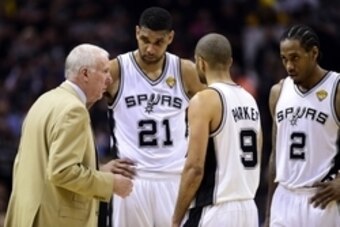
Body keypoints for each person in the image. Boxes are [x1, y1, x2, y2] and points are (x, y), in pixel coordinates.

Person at [4, 43, 133, 227]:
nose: (109, 79)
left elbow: (46, 164)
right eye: (105, 71)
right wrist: (110, 183)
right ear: (85, 73)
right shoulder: (74, 110)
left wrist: (99, 170)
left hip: (28, 215)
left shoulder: (45, 100)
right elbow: (61, 171)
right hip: (53, 219)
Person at [104, 6, 205, 227]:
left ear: (170, 38)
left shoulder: (185, 71)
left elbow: (216, 112)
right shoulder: (116, 70)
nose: (150, 48)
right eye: (144, 39)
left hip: (174, 180)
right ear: (136, 32)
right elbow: (78, 112)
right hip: (131, 180)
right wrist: (96, 166)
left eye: (158, 42)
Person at [172, 33, 262, 227]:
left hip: (216, 209)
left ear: (200, 62)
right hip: (249, 208)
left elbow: (194, 168)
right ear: (229, 62)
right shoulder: (250, 99)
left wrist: (175, 220)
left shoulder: (204, 99)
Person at [265, 24, 340, 227]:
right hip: (284, 198)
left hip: (321, 199)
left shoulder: (336, 89)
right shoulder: (278, 92)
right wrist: (268, 213)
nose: (289, 66)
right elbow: (275, 156)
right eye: (284, 59)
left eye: (295, 57)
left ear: (314, 53)